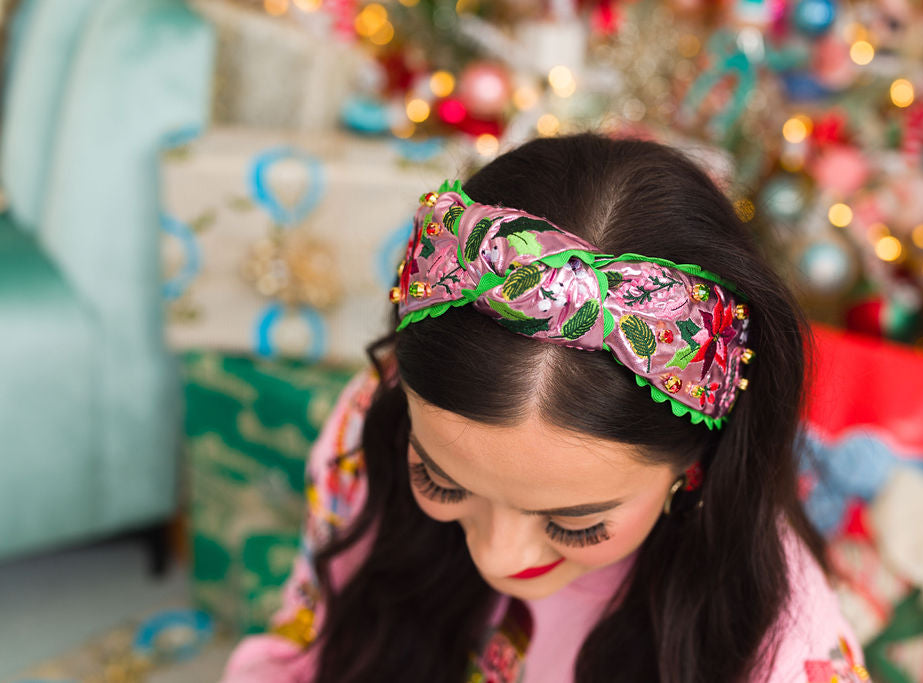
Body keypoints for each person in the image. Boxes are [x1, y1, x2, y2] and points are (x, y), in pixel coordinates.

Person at [220, 133, 871, 683]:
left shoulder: (785, 649)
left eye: (576, 522)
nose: (500, 556)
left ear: (696, 464)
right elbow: (309, 644)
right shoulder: (377, 421)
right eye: (438, 478)